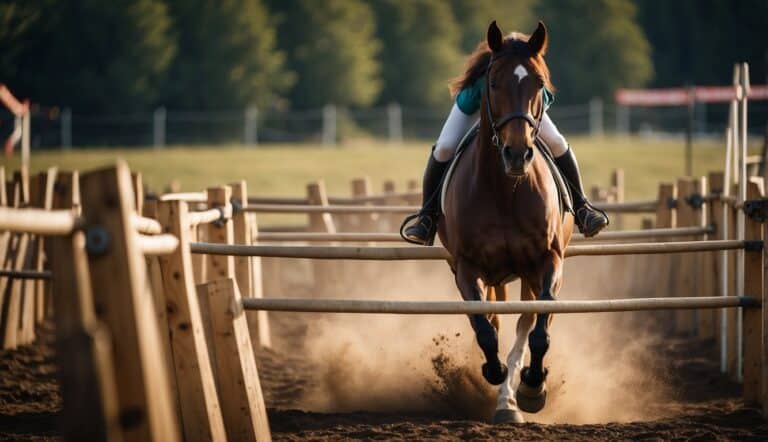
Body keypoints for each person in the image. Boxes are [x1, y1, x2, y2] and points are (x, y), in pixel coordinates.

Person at [403, 51, 609, 245]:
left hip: (519, 112)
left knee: (557, 142)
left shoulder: (531, 72)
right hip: (475, 108)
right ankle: (427, 217)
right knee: (444, 148)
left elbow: (540, 99)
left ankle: (582, 208)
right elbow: (467, 107)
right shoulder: (483, 79)